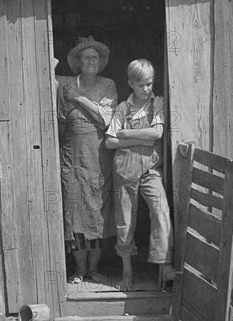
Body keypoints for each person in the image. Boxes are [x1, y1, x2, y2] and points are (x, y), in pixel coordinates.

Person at [105, 59, 177, 291]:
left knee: (161, 211)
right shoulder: (123, 109)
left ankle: (163, 265)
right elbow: (109, 142)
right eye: (141, 85)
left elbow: (156, 133)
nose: (146, 89)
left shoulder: (158, 103)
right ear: (130, 84)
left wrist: (126, 134)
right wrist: (137, 138)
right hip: (124, 170)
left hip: (150, 169)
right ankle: (127, 270)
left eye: (149, 83)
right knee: (125, 222)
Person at [58, 36, 118, 284]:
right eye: (86, 57)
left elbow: (106, 119)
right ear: (78, 63)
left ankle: (94, 269)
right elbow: (45, 75)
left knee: (97, 212)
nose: (91, 61)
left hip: (98, 156)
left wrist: (79, 99)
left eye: (95, 57)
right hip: (72, 157)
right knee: (75, 215)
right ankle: (79, 270)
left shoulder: (108, 85)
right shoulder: (67, 83)